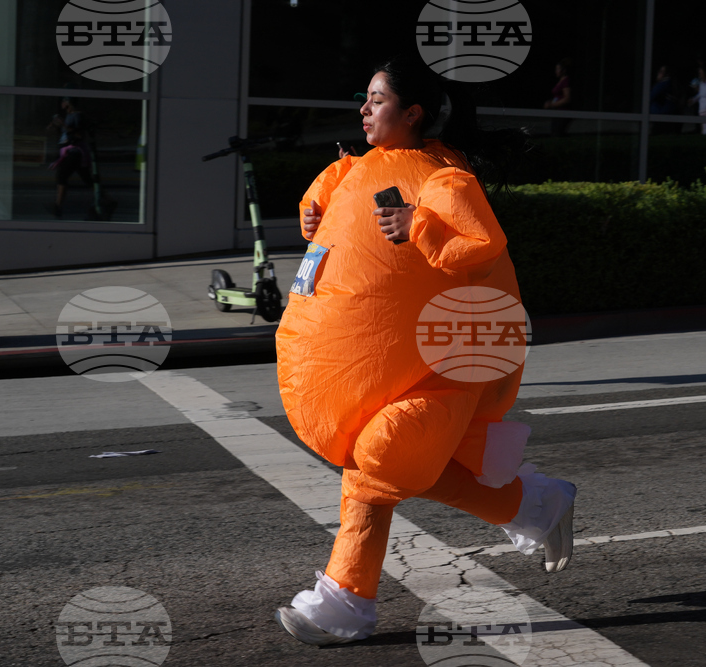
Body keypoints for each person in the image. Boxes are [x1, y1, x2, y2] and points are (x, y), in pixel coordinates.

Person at [273, 54, 577, 647]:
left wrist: (418, 224)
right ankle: (532, 505)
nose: (364, 110)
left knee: (380, 460)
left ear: (412, 113)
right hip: (390, 367)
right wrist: (313, 209)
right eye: (365, 99)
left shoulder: (443, 180)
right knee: (382, 464)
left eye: (377, 100)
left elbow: (482, 246)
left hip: (446, 365)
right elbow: (325, 204)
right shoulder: (359, 168)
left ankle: (344, 601)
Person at [47, 97, 93, 218]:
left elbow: (79, 134)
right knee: (87, 179)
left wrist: (63, 124)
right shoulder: (68, 116)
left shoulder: (77, 116)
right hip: (69, 152)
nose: (61, 103)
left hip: (74, 152)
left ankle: (58, 207)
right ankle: (107, 200)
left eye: (64, 100)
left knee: (62, 175)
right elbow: (61, 132)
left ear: (69, 103)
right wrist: (55, 125)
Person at [544, 58, 573, 136]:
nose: (556, 71)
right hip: (557, 112)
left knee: (557, 134)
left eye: (558, 69)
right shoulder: (561, 81)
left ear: (564, 70)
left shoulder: (566, 81)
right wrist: (550, 102)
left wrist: (552, 105)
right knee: (555, 133)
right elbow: (558, 96)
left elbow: (567, 99)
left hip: (562, 112)